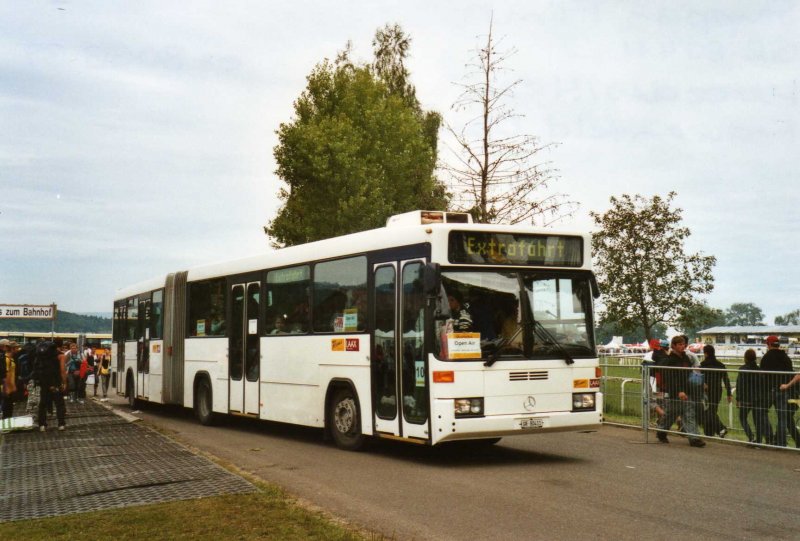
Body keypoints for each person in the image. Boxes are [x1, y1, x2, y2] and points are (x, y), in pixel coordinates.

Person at [656, 335, 705, 447]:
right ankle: (661, 432)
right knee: (671, 415)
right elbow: (670, 378)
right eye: (680, 344)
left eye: (683, 344)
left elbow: (690, 372)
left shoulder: (685, 357)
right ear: (673, 346)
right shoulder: (670, 360)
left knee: (689, 414)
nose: (683, 346)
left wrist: (700, 382)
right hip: (676, 392)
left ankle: (694, 438)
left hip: (687, 391)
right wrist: (678, 391)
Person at [760, 335, 796, 447]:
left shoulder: (766, 358)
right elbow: (790, 374)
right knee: (782, 417)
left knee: (761, 412)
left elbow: (762, 376)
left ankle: (770, 438)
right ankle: (781, 442)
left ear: (769, 344)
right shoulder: (786, 357)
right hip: (783, 390)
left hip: (769, 390)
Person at [700, 345, 732, 438]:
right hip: (717, 391)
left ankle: (720, 428)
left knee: (708, 411)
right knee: (712, 411)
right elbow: (726, 379)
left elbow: (699, 378)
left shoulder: (703, 364)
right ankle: (710, 432)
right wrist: (729, 393)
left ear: (706, 353)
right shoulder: (720, 365)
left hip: (706, 391)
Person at [736, 349, 766, 444]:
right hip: (758, 399)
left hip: (746, 398)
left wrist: (738, 399)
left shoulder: (742, 369)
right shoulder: (759, 370)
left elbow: (739, 385)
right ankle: (759, 441)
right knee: (757, 421)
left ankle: (751, 437)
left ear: (745, 358)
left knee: (742, 418)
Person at [37, 339, 67, 431]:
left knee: (43, 403)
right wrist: (64, 382)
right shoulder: (61, 355)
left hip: (44, 382)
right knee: (59, 404)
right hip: (56, 382)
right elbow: (62, 370)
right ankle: (61, 424)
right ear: (61, 345)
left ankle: (42, 425)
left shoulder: (44, 354)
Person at [2, 341, 19, 420]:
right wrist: (6, 388)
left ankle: (8, 421)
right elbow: (4, 375)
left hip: (11, 387)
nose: (18, 349)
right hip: (7, 388)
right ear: (12, 349)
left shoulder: (11, 359)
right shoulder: (6, 359)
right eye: (16, 348)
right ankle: (5, 421)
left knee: (9, 407)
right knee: (6, 407)